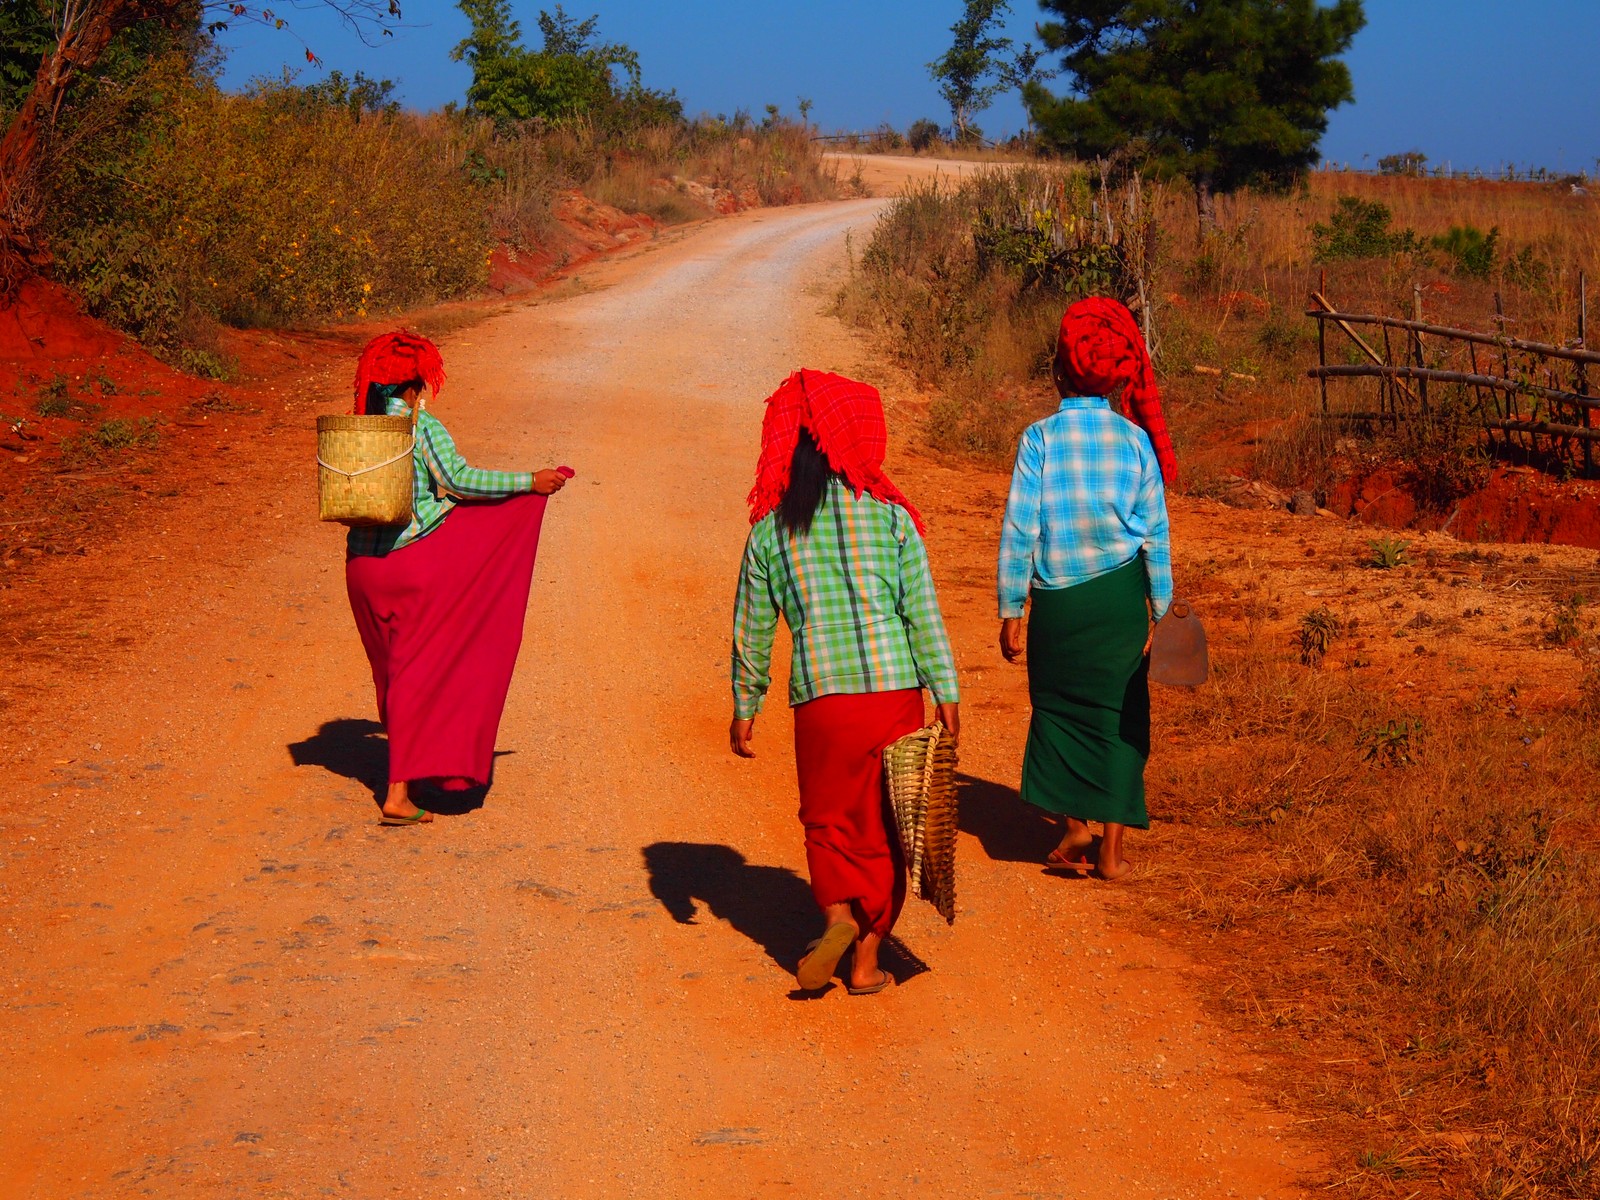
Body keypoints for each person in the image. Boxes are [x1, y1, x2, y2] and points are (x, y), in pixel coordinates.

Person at [730, 369, 960, 995]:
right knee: (889, 824)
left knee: (829, 822)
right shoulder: (891, 518)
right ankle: (864, 963)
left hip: (822, 703)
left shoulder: (770, 531)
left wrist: (745, 704)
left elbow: (752, 627)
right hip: (892, 696)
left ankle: (834, 917)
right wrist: (946, 690)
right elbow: (921, 612)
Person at [343, 330, 569, 825]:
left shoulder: (355, 433)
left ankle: (409, 768)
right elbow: (460, 480)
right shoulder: (421, 426)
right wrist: (528, 482)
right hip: (411, 566)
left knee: (390, 671)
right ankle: (399, 792)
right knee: (415, 671)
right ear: (416, 382)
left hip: (360, 569)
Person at [997, 297, 1175, 880]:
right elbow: (1155, 534)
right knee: (1121, 718)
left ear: (1056, 371)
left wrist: (1011, 607)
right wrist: (1164, 612)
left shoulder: (1039, 439)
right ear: (1119, 378)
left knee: (1059, 709)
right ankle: (1112, 851)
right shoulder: (1134, 441)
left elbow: (1021, 526)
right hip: (1120, 602)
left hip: (1058, 604)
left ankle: (1073, 824)